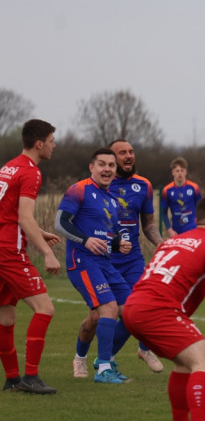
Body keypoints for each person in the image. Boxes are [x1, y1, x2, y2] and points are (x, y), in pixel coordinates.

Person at [122, 196, 205, 421]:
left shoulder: (174, 241)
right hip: (158, 310)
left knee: (183, 363)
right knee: (203, 361)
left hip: (133, 307)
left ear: (197, 219)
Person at [71, 139, 165, 375]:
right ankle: (80, 356)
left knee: (138, 310)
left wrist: (162, 244)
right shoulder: (96, 186)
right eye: (122, 152)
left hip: (132, 259)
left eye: (131, 151)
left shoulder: (143, 185)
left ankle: (116, 356)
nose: (128, 156)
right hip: (102, 259)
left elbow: (149, 225)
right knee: (97, 316)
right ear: (109, 161)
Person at [56, 148, 133, 383]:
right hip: (82, 262)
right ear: (92, 167)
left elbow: (110, 233)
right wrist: (86, 240)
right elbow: (60, 223)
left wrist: (120, 242)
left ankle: (101, 359)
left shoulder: (113, 199)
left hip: (105, 263)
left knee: (132, 312)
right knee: (108, 309)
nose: (107, 169)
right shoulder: (79, 189)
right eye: (102, 164)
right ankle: (103, 371)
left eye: (111, 165)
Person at [0, 119, 61, 395]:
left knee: (5, 317)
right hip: (9, 252)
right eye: (51, 141)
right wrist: (47, 253)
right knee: (45, 308)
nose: (54, 146)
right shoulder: (31, 172)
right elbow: (24, 218)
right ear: (39, 144)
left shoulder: (9, 166)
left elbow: (9, 214)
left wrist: (40, 231)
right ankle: (31, 377)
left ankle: (12, 379)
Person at [160, 156, 203, 237]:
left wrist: (200, 225)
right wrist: (170, 230)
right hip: (176, 231)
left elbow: (202, 208)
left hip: (193, 228)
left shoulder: (194, 187)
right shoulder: (167, 190)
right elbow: (163, 213)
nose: (180, 173)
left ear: (186, 172)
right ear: (173, 172)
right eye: (177, 171)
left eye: (182, 170)